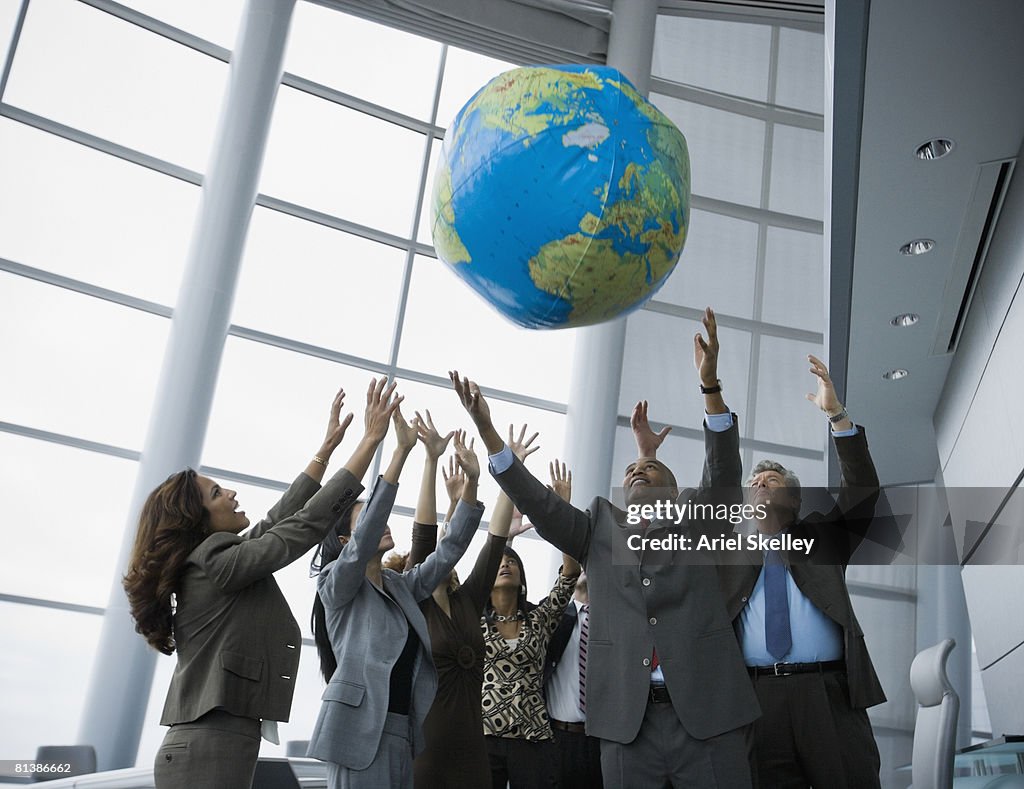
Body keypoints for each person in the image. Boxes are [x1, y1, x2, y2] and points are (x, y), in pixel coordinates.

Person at [450, 306, 759, 789]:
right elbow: (540, 503)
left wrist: (710, 386)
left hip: (706, 714)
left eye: (651, 470)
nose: (638, 471)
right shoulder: (599, 524)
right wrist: (491, 435)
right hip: (625, 724)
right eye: (633, 470)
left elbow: (723, 473)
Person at [123, 383, 374, 789]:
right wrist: (369, 442)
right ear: (198, 520)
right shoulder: (213, 561)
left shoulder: (215, 562)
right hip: (208, 745)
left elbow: (277, 520)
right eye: (217, 493)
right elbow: (299, 529)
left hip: (213, 742)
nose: (233, 493)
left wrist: (325, 451)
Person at [716, 354, 885, 789]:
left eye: (771, 480)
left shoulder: (822, 538)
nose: (759, 484)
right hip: (757, 700)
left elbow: (862, 495)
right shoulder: (726, 554)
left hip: (828, 695)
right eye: (754, 483)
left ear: (793, 500)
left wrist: (838, 418)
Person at [306, 404, 484, 789]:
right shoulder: (336, 584)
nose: (383, 522)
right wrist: (401, 451)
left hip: (402, 731)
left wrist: (473, 483)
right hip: (357, 732)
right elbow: (364, 537)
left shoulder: (401, 585)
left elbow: (449, 550)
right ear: (344, 540)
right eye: (369, 518)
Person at [408, 420, 538, 789]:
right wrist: (430, 461)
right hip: (426, 751)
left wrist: (508, 472)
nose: (444, 559)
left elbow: (496, 538)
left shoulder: (468, 600)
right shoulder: (417, 607)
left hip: (471, 751)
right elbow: (424, 533)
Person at [480, 458, 580, 789]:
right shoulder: (473, 618)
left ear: (522, 577)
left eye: (512, 562)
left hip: (532, 737)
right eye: (499, 562)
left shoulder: (539, 619)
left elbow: (569, 574)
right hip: (483, 736)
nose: (506, 565)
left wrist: (563, 511)